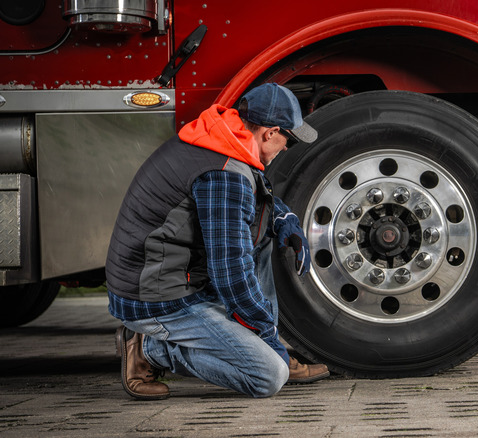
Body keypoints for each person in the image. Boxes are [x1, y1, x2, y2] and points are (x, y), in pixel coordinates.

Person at [106, 83, 330, 400]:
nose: (284, 148)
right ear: (270, 133)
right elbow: (230, 274)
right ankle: (151, 347)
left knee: (263, 233)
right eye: (287, 141)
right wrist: (267, 334)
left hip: (162, 277)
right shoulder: (225, 173)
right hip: (158, 299)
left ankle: (266, 347)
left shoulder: (221, 139)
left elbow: (252, 205)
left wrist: (284, 220)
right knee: (268, 376)